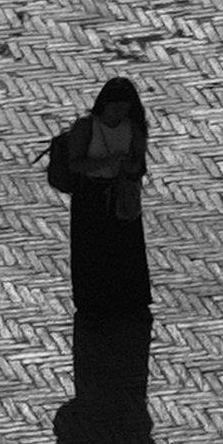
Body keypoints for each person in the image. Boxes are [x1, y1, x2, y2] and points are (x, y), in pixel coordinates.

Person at [60, 75, 153, 321]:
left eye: (125, 107)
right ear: (105, 104)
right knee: (91, 249)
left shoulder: (132, 127)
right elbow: (75, 164)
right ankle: (93, 303)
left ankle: (126, 300)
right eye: (116, 107)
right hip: (90, 195)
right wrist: (106, 162)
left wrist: (130, 166)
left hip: (120, 193)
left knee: (124, 249)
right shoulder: (87, 126)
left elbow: (140, 165)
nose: (120, 112)